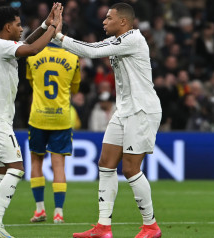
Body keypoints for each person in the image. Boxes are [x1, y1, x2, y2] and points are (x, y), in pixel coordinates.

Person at [53, 3, 162, 238]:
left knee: (131, 169)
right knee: (105, 163)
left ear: (123, 22)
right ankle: (103, 227)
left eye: (109, 18)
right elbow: (91, 49)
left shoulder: (132, 39)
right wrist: (55, 36)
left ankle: (151, 226)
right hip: (124, 109)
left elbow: (90, 51)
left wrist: (58, 35)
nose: (104, 22)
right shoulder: (117, 42)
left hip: (142, 110)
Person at [0, 4, 63, 238]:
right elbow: (33, 49)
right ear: (7, 27)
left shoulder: (0, 46)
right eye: (18, 24)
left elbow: (26, 44)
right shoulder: (0, 46)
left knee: (1, 173)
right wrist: (54, 28)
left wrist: (45, 24)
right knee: (16, 169)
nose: (21, 27)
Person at [26, 23, 81, 224]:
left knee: (36, 161)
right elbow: (74, 89)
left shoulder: (32, 56)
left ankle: (40, 210)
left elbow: (32, 84)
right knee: (58, 165)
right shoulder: (73, 58)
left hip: (38, 117)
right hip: (62, 118)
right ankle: (59, 212)